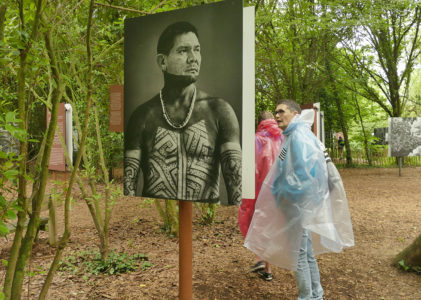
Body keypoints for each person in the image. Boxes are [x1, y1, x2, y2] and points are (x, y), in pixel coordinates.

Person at [245, 100, 354, 299]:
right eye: (276, 112)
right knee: (306, 252)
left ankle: (307, 296)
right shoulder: (293, 135)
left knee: (299, 255)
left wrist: (285, 197)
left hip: (296, 205)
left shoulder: (298, 137)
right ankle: (316, 295)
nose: (277, 116)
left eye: (281, 111)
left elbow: (304, 175)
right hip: (297, 204)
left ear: (295, 113)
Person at [124, 21, 242, 205]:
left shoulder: (220, 111)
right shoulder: (142, 116)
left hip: (206, 221)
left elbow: (237, 190)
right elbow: (128, 189)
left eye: (197, 49)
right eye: (183, 50)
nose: (193, 58)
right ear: (163, 61)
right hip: (158, 219)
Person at [238, 111, 284, 281]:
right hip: (277, 190)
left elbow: (251, 167)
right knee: (269, 225)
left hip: (258, 190)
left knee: (255, 223)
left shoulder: (256, 139)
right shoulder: (282, 139)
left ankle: (262, 262)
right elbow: (283, 163)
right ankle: (266, 267)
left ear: (259, 122)